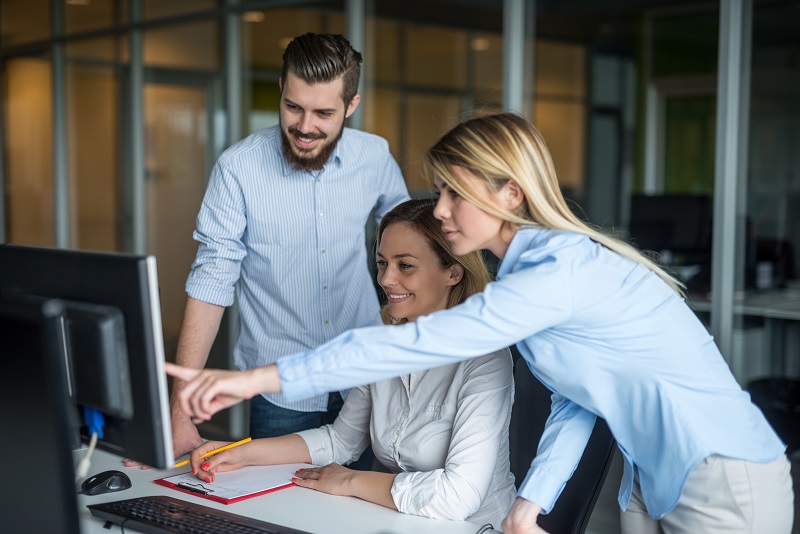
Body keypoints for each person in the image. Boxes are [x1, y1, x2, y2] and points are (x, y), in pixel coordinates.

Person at [167, 112, 795, 534]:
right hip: (653, 475)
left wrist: (253, 381)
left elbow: (427, 340)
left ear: (510, 194)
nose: (440, 210)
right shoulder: (532, 277)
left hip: (723, 476)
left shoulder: (557, 272)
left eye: (453, 194)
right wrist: (531, 504)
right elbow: (581, 404)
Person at [185, 198, 516, 526]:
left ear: (453, 273)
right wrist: (238, 453)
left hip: (476, 526)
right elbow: (339, 440)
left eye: (405, 265)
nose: (386, 279)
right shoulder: (383, 342)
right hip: (402, 521)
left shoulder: (485, 358)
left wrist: (350, 481)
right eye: (382, 263)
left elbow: (458, 495)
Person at [159, 32, 409, 464]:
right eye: (293, 106)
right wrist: (180, 408)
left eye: (324, 113)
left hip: (366, 376)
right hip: (281, 393)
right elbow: (212, 280)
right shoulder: (238, 168)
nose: (305, 126)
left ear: (352, 106)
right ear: (280, 89)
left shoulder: (374, 156)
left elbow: (415, 241)